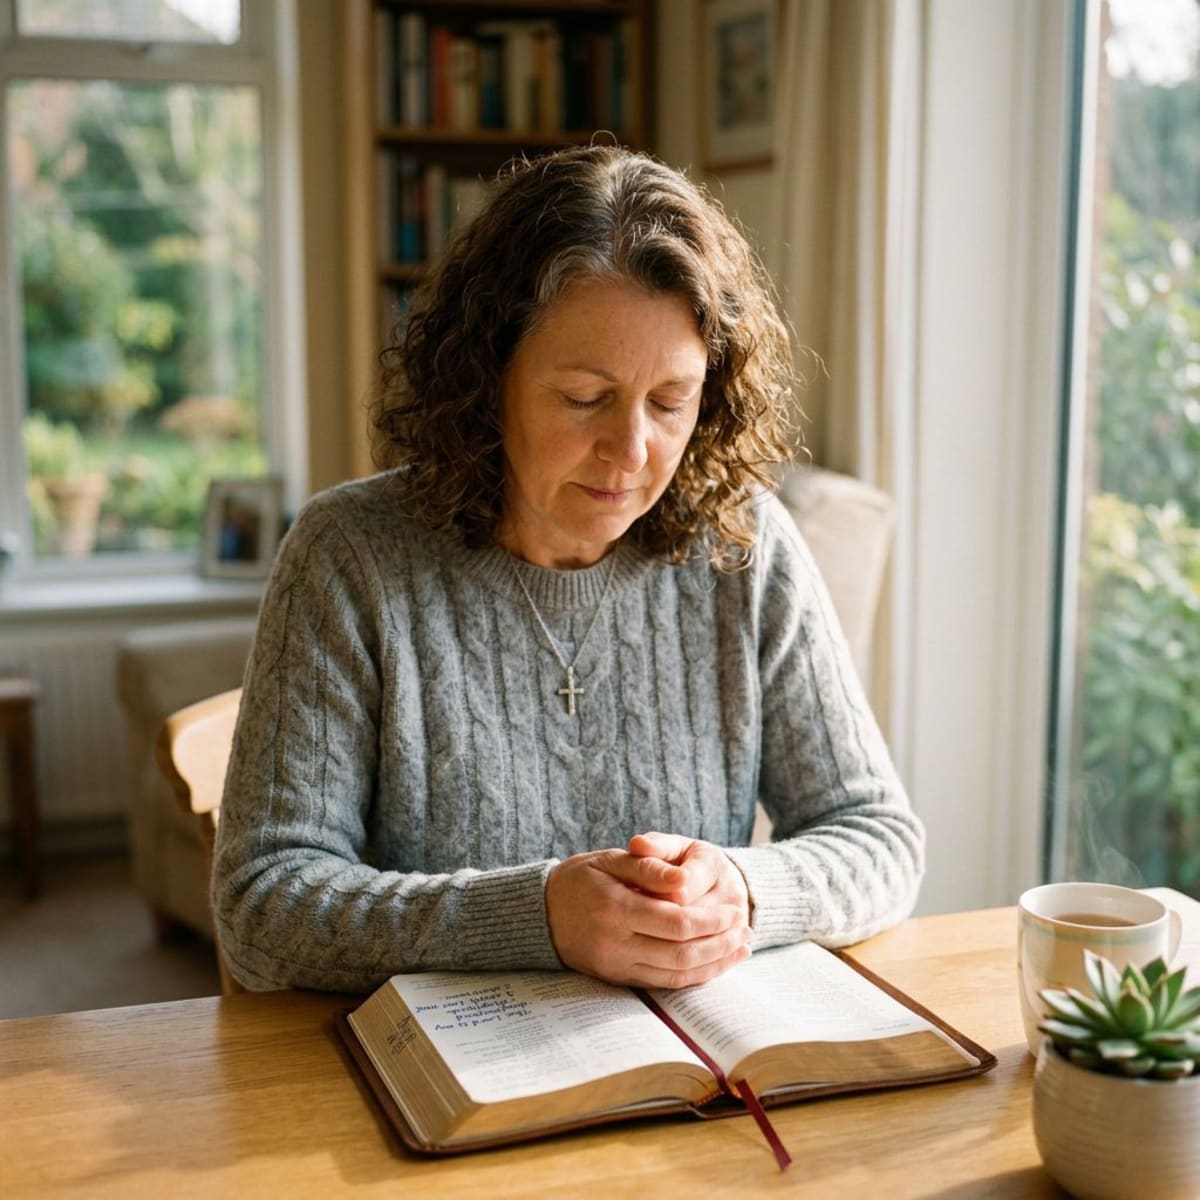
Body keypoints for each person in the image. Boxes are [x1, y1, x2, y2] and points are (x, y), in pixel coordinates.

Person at [212, 144, 924, 994]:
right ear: (487, 377)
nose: (632, 452)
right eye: (584, 398)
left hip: (691, 1081)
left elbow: (879, 835)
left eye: (671, 402)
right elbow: (263, 906)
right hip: (443, 1093)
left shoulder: (745, 546)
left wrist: (744, 890)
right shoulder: (350, 557)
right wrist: (539, 916)